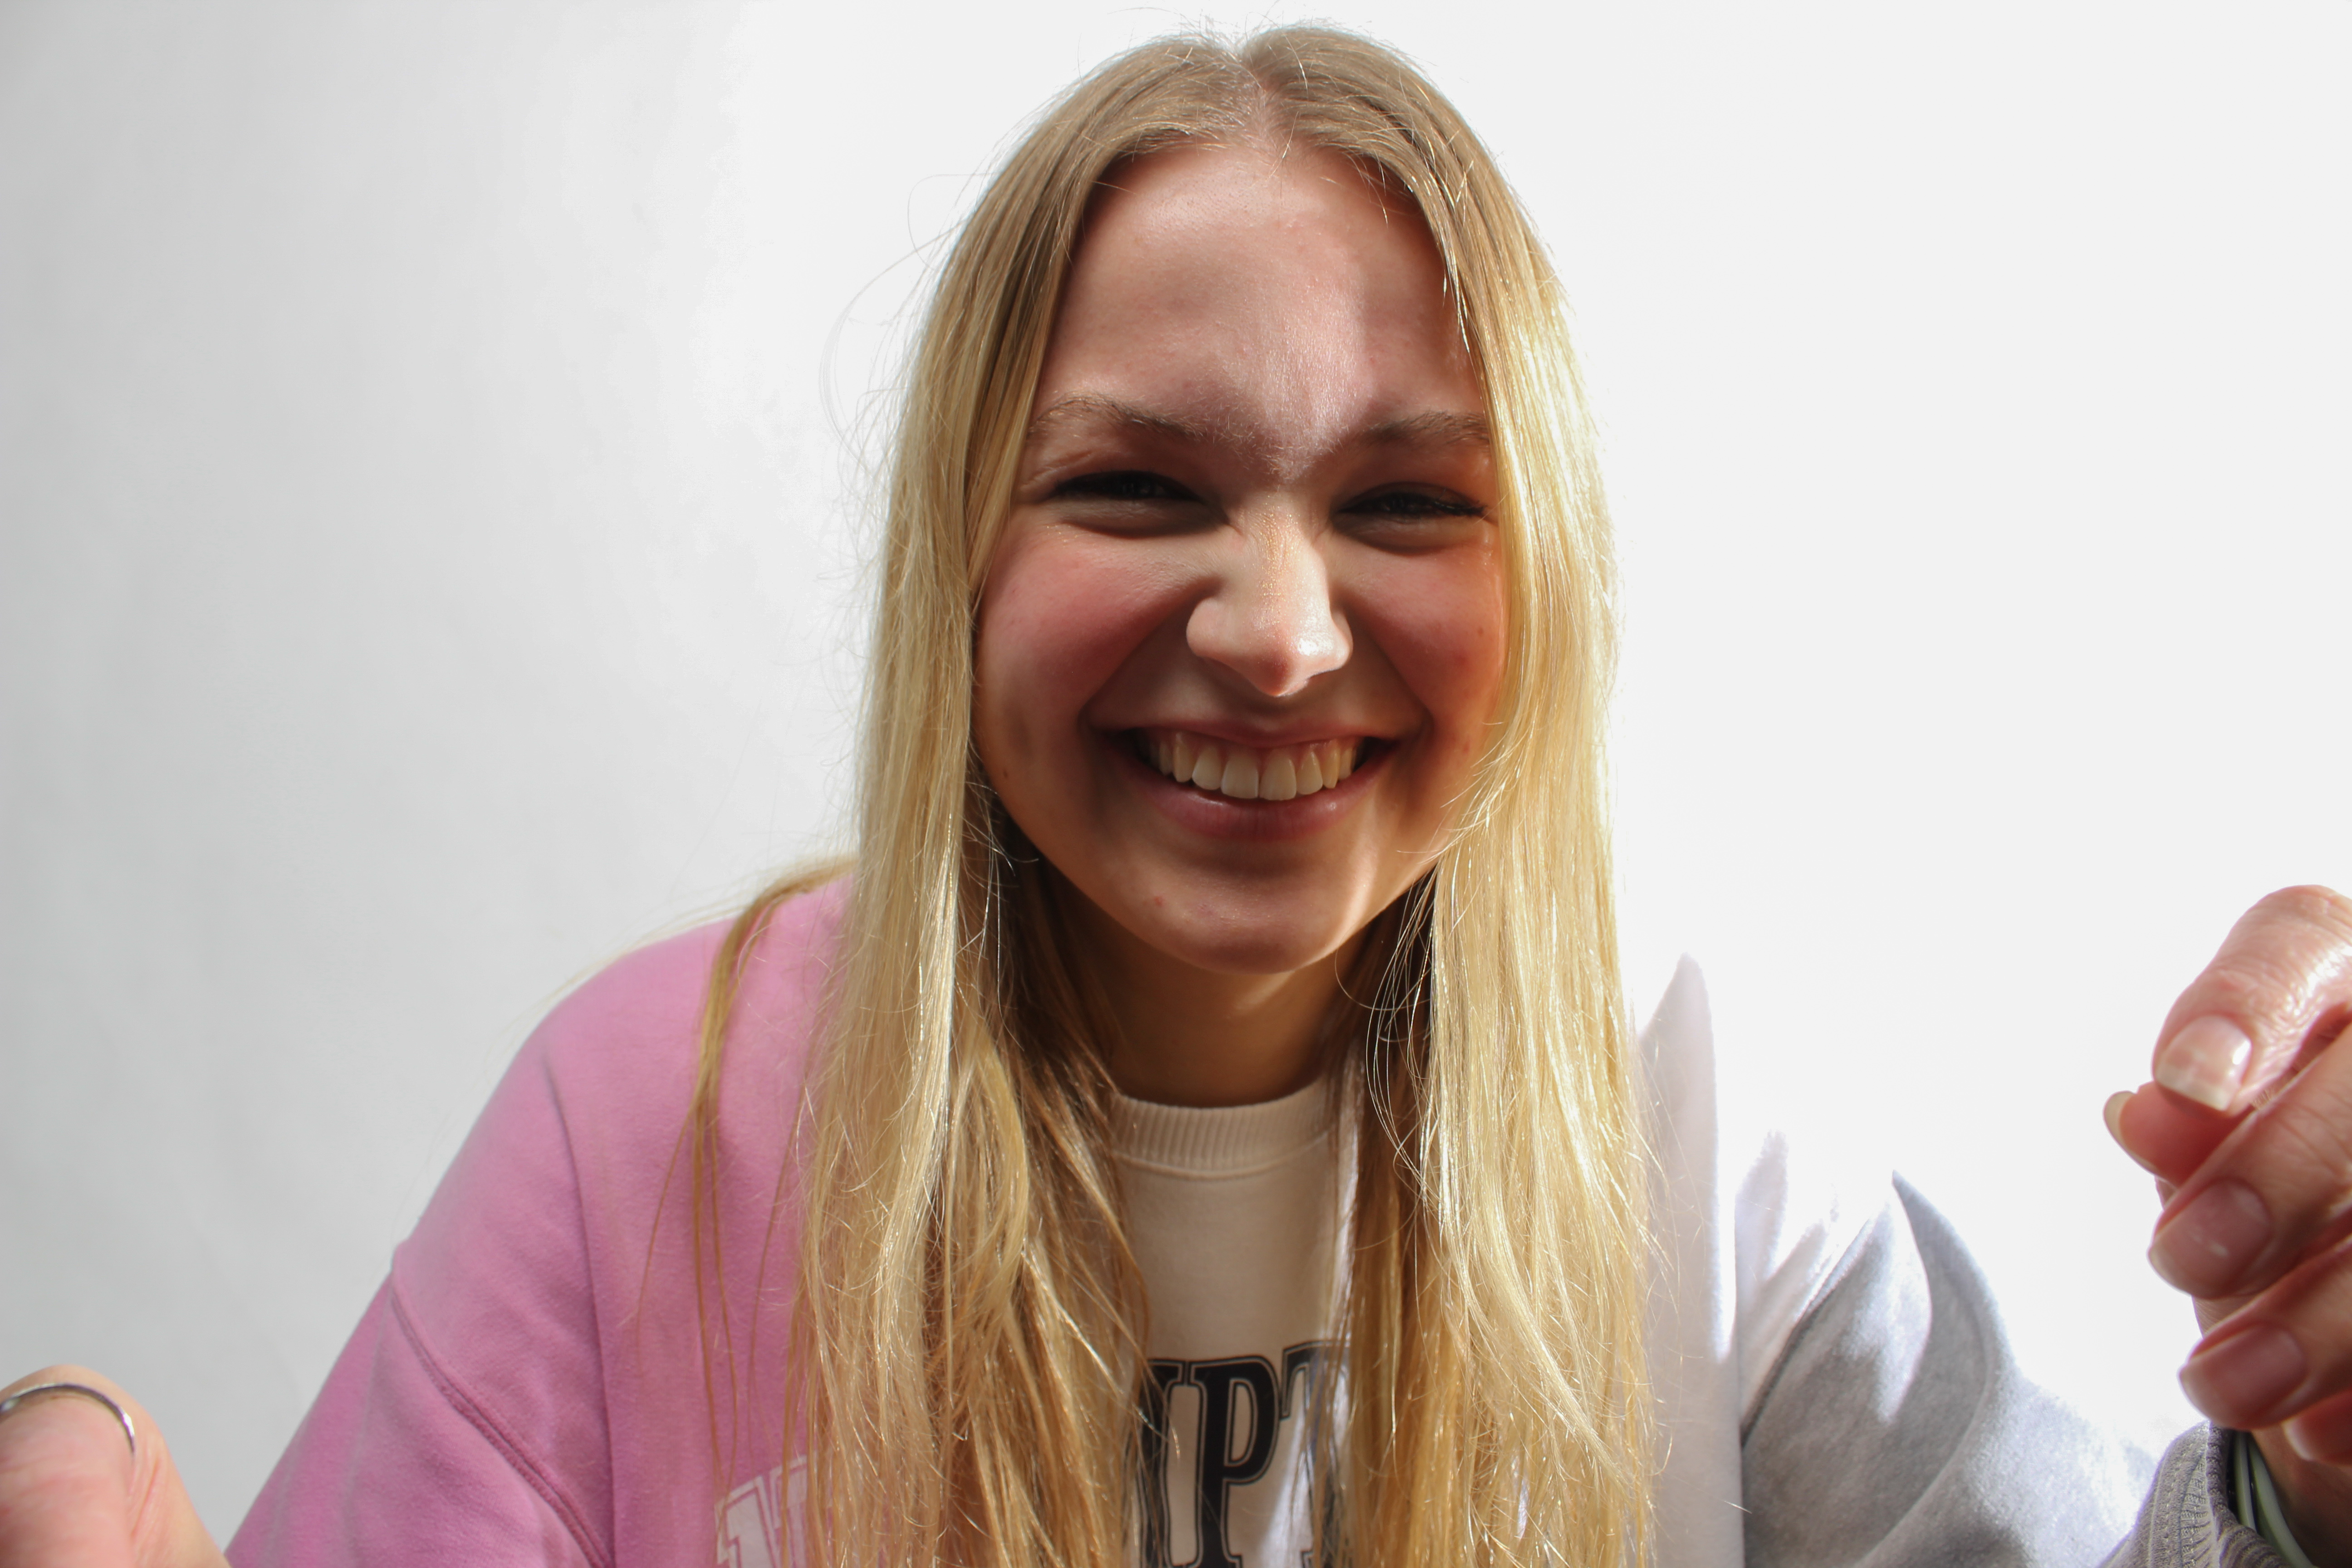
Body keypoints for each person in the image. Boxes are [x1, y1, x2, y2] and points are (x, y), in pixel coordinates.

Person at [4, 25, 2351, 1568]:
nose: (1281, 628)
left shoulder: (1685, 1098)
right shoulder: (653, 1124)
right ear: (959, 561)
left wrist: (2322, 1475)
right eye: (1136, 487)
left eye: (1407, 504)